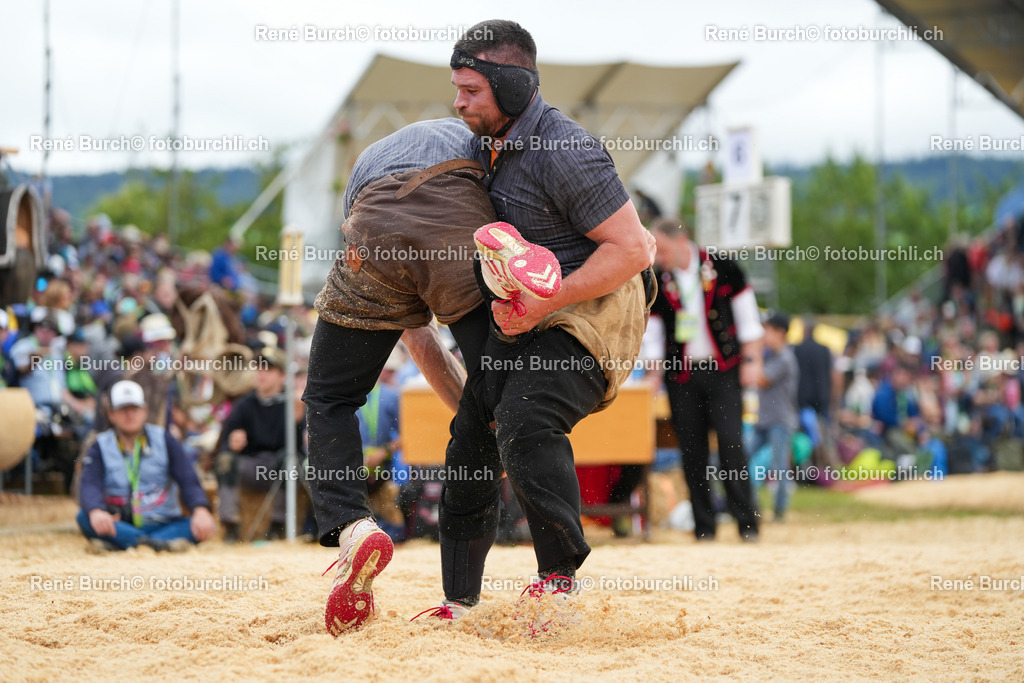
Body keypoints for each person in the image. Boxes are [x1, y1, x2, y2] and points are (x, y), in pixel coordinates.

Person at [417, 19, 654, 621]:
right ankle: (459, 602)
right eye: (457, 88)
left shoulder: (567, 151)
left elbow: (632, 250)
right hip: (521, 313)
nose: (458, 102)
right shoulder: (482, 143)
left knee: (525, 419)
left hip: (592, 313)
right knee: (473, 433)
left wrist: (550, 301)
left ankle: (558, 582)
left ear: (511, 87)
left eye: (471, 90)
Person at [302, 117, 501, 636]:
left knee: (330, 398)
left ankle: (353, 526)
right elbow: (428, 336)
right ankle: (540, 577)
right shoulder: (479, 143)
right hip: (459, 216)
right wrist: (493, 423)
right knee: (499, 387)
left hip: (374, 228)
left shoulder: (368, 168)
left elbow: (415, 336)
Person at [649, 218, 763, 542]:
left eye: (664, 250)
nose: (660, 257)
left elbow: (748, 319)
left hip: (724, 370)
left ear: (682, 241)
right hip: (682, 376)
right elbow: (654, 335)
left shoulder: (724, 267)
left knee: (731, 444)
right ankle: (704, 526)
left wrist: (752, 361)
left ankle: (747, 523)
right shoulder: (659, 281)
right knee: (691, 450)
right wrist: (655, 375)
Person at [76, 380, 215, 551]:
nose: (130, 415)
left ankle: (126, 544)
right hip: (121, 522)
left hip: (163, 522)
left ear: (145, 411)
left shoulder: (165, 439)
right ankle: (156, 545)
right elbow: (90, 484)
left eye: (134, 409)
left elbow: (188, 479)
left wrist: (200, 508)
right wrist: (96, 510)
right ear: (111, 414)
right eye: (123, 409)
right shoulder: (99, 445)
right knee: (85, 517)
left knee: (198, 524)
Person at [216, 346, 304, 542]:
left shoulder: (294, 402)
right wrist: (233, 443)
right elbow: (225, 443)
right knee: (225, 460)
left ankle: (277, 524)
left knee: (290, 461)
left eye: (268, 369)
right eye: (259, 368)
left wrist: (297, 422)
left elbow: (299, 450)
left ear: (282, 375)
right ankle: (230, 524)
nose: (261, 374)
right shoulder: (245, 404)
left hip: (278, 467)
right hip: (251, 465)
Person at [749, 312, 799, 521]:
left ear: (780, 333)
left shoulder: (785, 358)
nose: (763, 335)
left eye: (767, 330)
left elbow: (760, 379)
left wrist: (756, 351)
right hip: (764, 420)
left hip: (780, 420)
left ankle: (779, 510)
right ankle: (751, 506)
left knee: (779, 467)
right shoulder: (772, 356)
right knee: (742, 457)